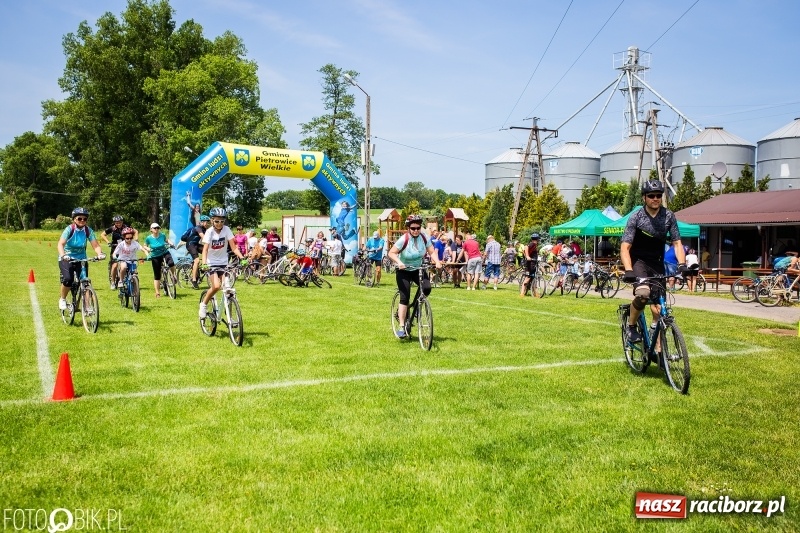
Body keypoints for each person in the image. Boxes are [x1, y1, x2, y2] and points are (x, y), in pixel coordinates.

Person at [621, 180, 687, 343]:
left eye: (659, 195)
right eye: (651, 196)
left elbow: (677, 243)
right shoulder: (636, 217)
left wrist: (682, 265)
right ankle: (631, 327)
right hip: (638, 262)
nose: (655, 198)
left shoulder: (668, 216)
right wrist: (629, 270)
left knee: (659, 309)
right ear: (644, 197)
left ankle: (658, 352)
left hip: (657, 262)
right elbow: (625, 247)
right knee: (643, 294)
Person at [386, 214, 442, 338]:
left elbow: (431, 251)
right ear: (408, 228)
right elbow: (391, 253)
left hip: (418, 269)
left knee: (426, 288)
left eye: (418, 228)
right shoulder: (403, 239)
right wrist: (399, 262)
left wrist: (437, 261)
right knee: (404, 297)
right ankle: (401, 326)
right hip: (404, 270)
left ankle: (417, 307)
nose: (416, 230)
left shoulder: (424, 237)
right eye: (413, 228)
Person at [199, 207, 246, 318]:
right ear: (212, 220)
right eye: (216, 221)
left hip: (224, 262)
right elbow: (205, 249)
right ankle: (203, 304)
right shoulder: (209, 232)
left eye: (222, 221)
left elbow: (233, 248)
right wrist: (204, 263)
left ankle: (228, 309)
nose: (219, 223)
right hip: (211, 263)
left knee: (227, 287)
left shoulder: (227, 230)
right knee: (216, 286)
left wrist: (242, 258)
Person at [57, 207, 106, 311]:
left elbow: (95, 245)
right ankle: (62, 299)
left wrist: (99, 254)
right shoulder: (69, 229)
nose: (82, 221)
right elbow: (60, 244)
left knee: (85, 281)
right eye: (79, 218)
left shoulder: (88, 231)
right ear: (74, 219)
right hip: (67, 258)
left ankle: (87, 306)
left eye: (85, 219)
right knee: (68, 279)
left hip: (82, 259)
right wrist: (63, 255)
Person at [142, 222, 176, 298]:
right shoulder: (149, 238)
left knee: (171, 263)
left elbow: (167, 240)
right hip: (155, 255)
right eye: (155, 228)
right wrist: (148, 249)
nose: (157, 229)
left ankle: (173, 276)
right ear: (151, 229)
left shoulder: (162, 235)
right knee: (157, 275)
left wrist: (171, 244)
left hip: (164, 252)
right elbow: (144, 245)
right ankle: (157, 292)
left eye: (158, 228)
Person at [102, 215, 137, 289]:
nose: (118, 224)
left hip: (125, 248)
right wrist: (108, 242)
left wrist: (136, 239)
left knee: (129, 262)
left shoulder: (126, 227)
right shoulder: (112, 228)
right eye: (117, 222)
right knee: (114, 266)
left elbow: (136, 231)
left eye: (120, 222)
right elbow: (103, 234)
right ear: (114, 223)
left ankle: (128, 278)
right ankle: (113, 282)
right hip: (115, 248)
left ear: (122, 222)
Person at [180, 215, 209, 289]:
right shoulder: (198, 228)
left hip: (196, 244)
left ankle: (202, 267)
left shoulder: (205, 229)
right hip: (190, 245)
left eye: (208, 222)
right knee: (197, 261)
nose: (207, 224)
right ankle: (194, 280)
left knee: (208, 251)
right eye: (206, 222)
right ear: (201, 222)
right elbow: (203, 237)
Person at [519, 233, 540, 297]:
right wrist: (527, 256)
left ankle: (535, 293)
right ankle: (522, 293)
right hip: (530, 264)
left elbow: (523, 251)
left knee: (533, 278)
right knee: (528, 278)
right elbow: (525, 247)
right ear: (537, 239)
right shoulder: (532, 244)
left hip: (533, 264)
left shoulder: (534, 245)